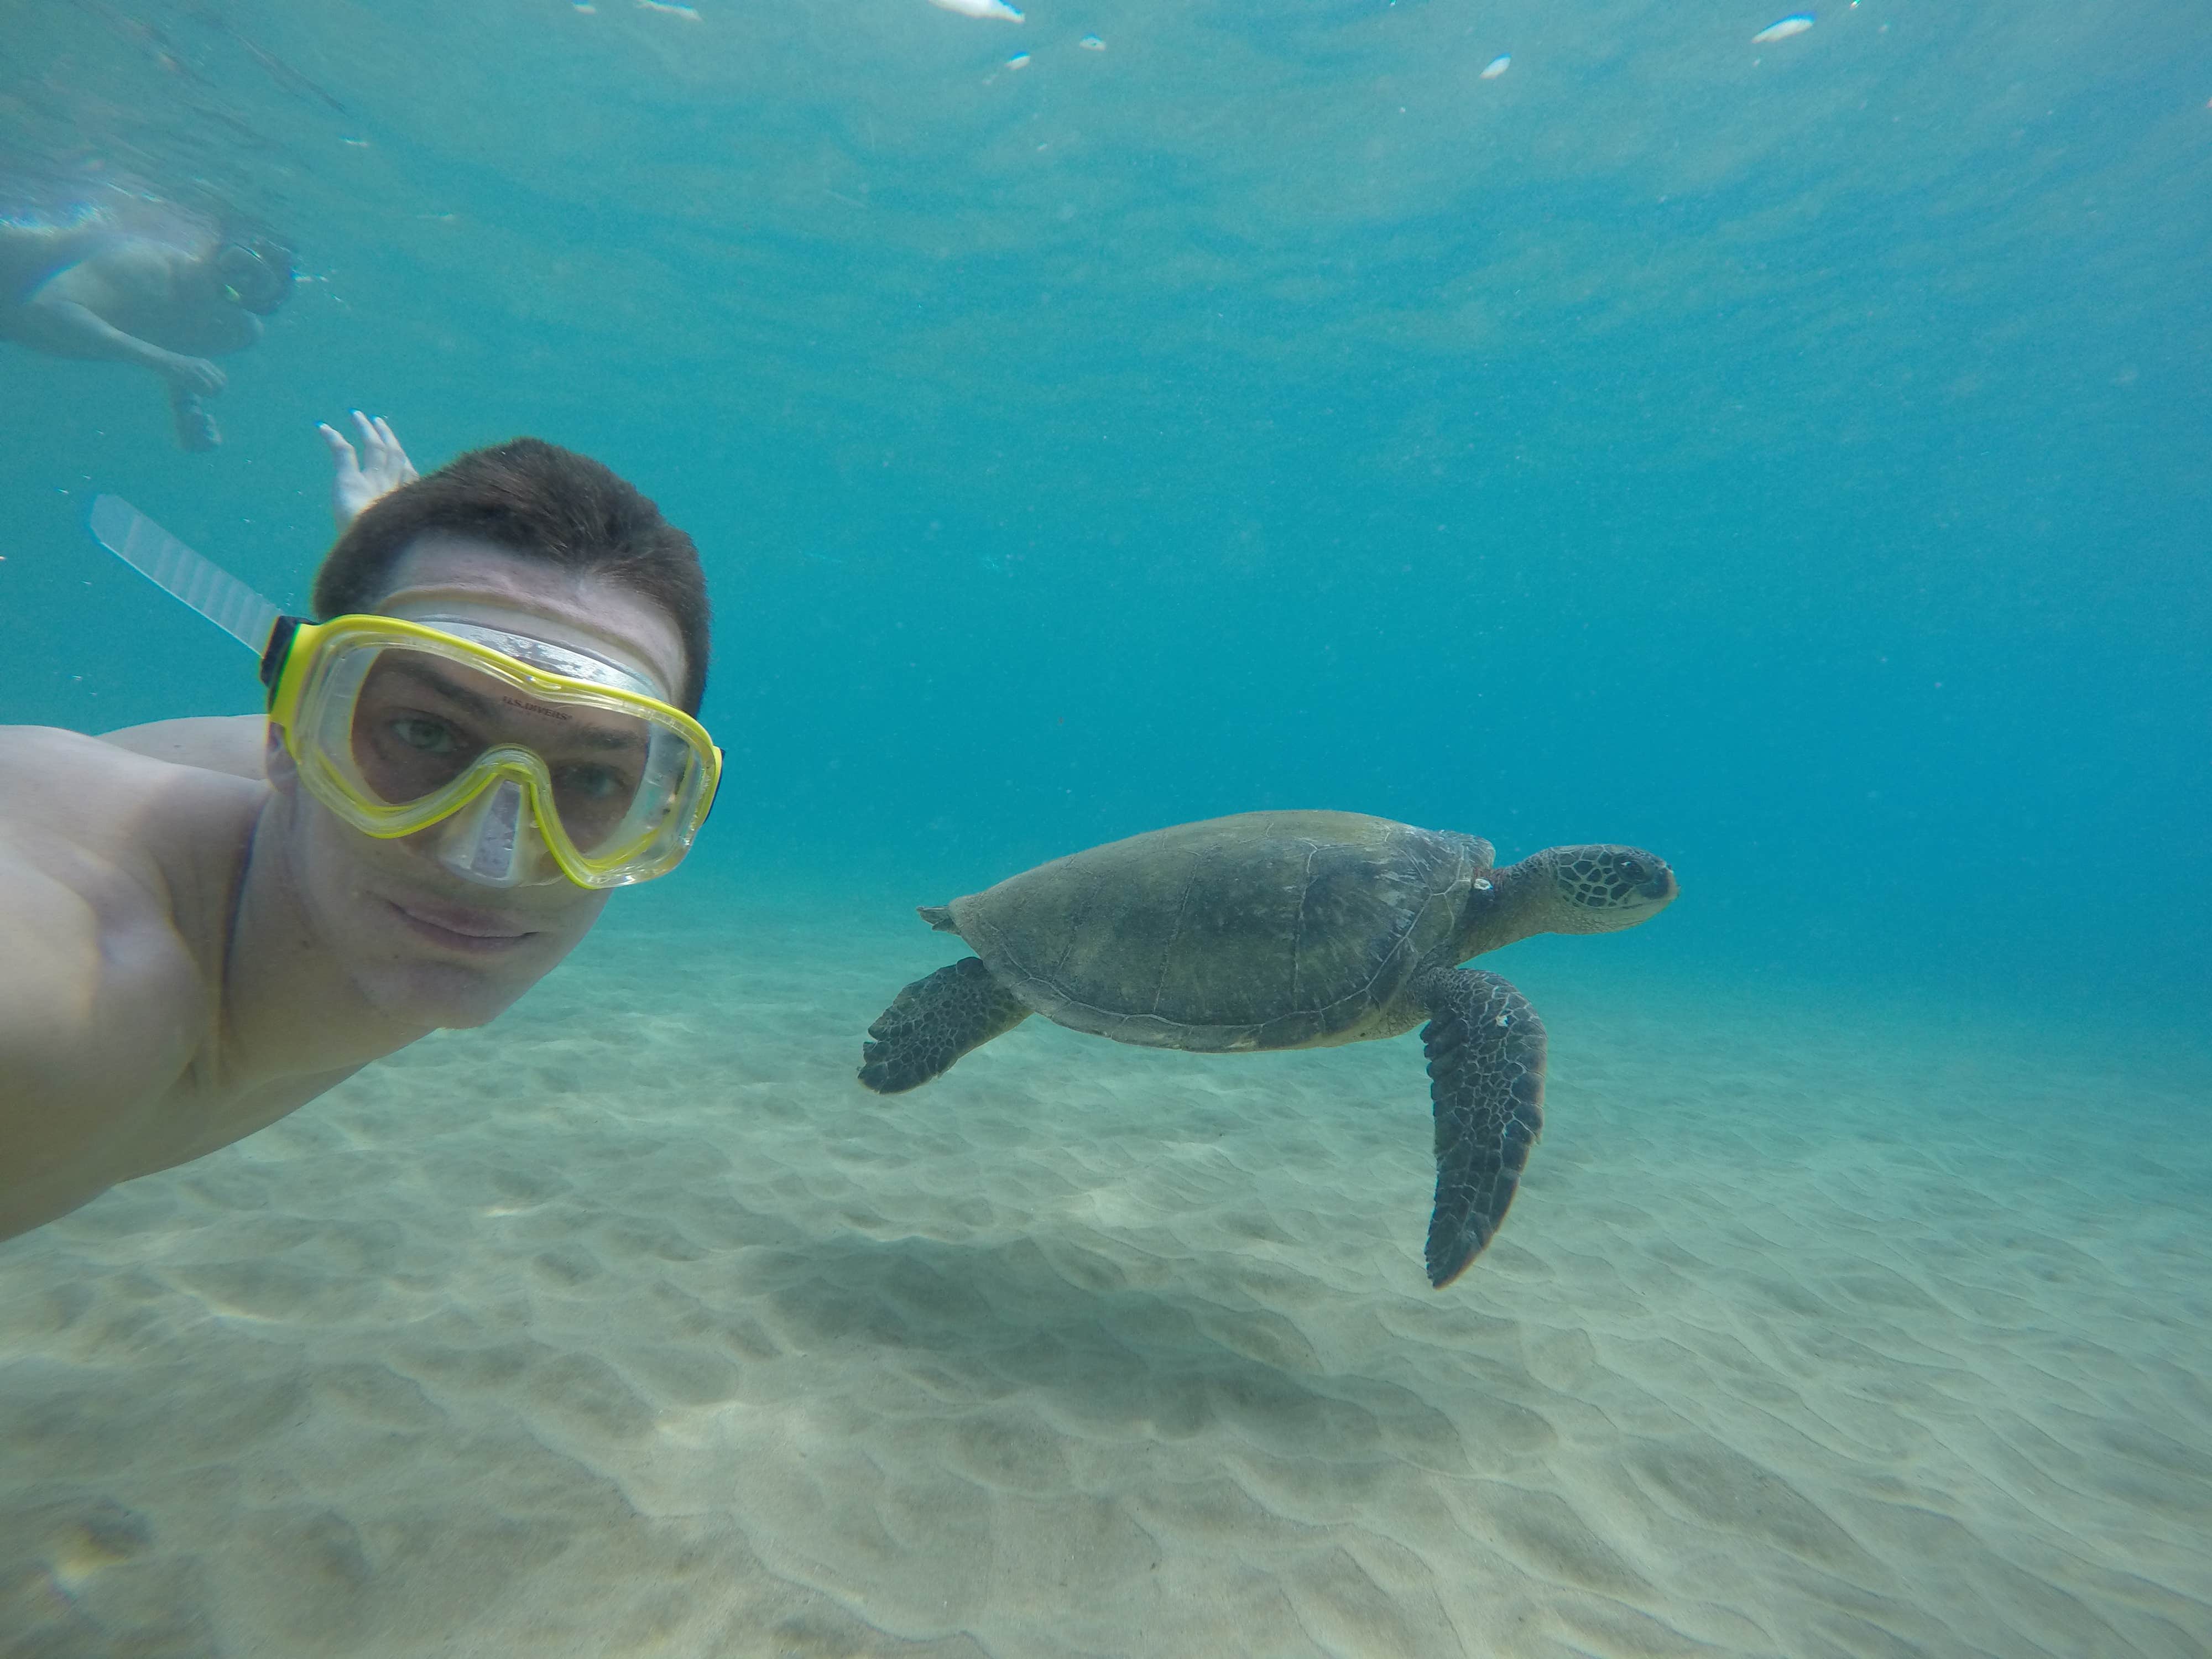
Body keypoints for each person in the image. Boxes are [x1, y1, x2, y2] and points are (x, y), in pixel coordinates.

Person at [0, 415, 719, 1240]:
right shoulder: (68, 995)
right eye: (427, 733)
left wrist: (420, 618)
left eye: (593, 778)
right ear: (288, 736)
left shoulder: (329, 799)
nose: (487, 860)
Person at [0, 181, 295, 451]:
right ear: (213, 252)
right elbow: (47, 308)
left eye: (255, 283)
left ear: (262, 305)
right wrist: (167, 363)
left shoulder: (232, 332)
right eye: (235, 265)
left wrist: (187, 410)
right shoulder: (146, 266)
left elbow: (178, 339)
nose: (230, 285)